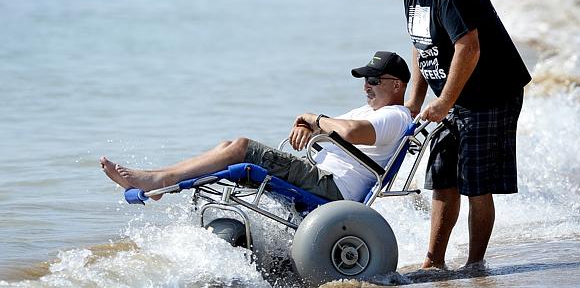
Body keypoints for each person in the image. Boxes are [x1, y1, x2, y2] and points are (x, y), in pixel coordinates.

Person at [377, 0, 532, 269]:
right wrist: (413, 104)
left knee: (476, 184)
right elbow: (420, 47)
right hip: (454, 98)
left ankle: (474, 266)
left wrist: (445, 101)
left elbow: (469, 47)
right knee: (442, 178)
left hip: (491, 95)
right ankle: (434, 262)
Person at [101, 51, 412, 202]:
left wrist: (314, 118)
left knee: (240, 147)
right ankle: (160, 181)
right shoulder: (370, 110)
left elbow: (349, 132)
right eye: (364, 81)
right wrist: (309, 127)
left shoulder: (395, 115)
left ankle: (159, 181)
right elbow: (338, 130)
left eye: (374, 80)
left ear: (397, 85)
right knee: (228, 147)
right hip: (321, 174)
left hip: (332, 186)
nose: (366, 87)